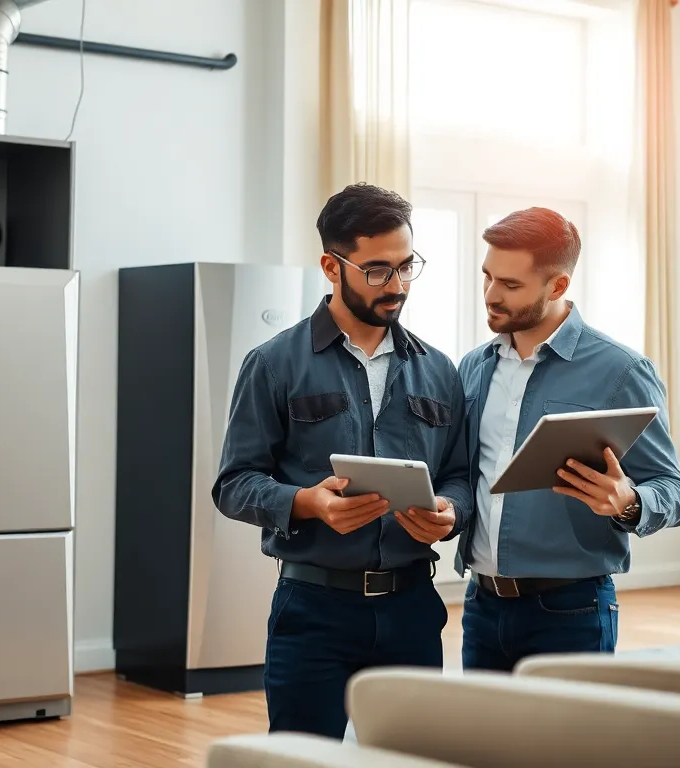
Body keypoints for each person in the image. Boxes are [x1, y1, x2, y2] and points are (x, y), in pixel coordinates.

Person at [212, 183, 473, 739]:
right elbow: (234, 484)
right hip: (313, 610)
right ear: (333, 266)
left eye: (407, 267)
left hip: (412, 608)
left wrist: (451, 510)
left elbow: (458, 475)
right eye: (378, 270)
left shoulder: (439, 371)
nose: (397, 286)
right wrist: (305, 502)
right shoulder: (274, 365)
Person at [455, 206, 680, 672]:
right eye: (487, 277)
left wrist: (630, 502)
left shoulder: (621, 372)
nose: (490, 295)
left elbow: (674, 488)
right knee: (484, 746)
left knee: (564, 747)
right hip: (480, 606)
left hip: (570, 611)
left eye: (510, 285)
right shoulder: (473, 368)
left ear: (558, 285)